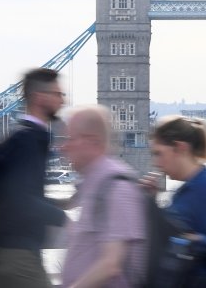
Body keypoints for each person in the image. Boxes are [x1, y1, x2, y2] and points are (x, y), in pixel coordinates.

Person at [0, 68, 68, 288]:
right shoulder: (29, 140)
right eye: (58, 94)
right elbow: (21, 199)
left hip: (6, 258)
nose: (63, 100)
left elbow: (22, 194)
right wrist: (66, 220)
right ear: (40, 98)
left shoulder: (20, 137)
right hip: (17, 260)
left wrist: (66, 202)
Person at [61, 105, 148, 287]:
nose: (63, 147)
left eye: (71, 139)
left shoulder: (116, 186)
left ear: (92, 141)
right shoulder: (94, 183)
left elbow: (111, 265)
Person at [149, 115, 206, 275]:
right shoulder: (187, 190)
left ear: (180, 148)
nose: (156, 162)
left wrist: (190, 240)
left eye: (159, 153)